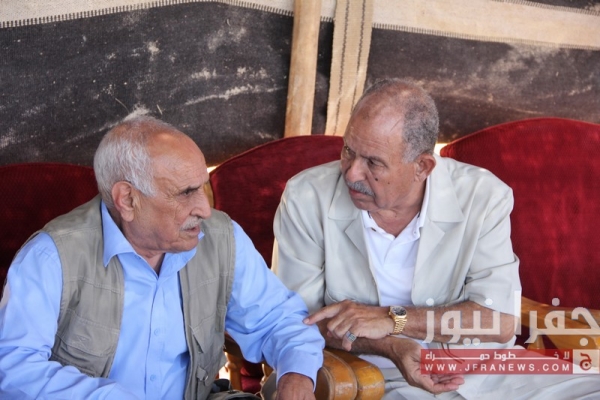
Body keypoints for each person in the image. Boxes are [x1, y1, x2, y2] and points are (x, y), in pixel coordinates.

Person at [272, 79, 600, 399]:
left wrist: (392, 319)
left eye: (373, 162)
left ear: (423, 166)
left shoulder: (483, 196)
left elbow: (499, 321)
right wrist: (391, 345)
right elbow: (297, 320)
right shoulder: (307, 197)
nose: (352, 173)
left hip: (489, 373)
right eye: (348, 150)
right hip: (373, 377)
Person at [0, 116, 324, 399]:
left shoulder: (221, 237)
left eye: (202, 187)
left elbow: (278, 319)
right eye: (186, 193)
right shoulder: (51, 256)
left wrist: (296, 375)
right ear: (128, 200)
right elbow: (13, 367)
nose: (204, 209)